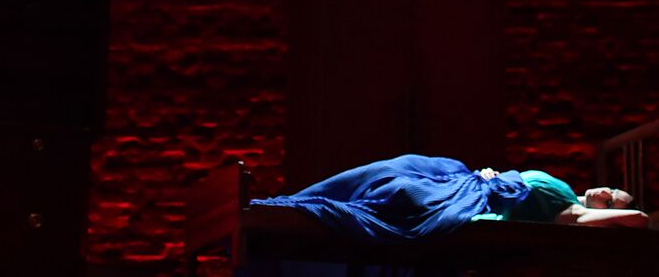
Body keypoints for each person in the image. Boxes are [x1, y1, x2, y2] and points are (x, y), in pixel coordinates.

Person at [250, 154, 649, 241]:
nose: (607, 192)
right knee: (390, 168)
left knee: (399, 188)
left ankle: (289, 209)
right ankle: (287, 200)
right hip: (465, 176)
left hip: (470, 198)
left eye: (613, 200)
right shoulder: (567, 189)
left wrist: (620, 215)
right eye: (614, 188)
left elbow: (640, 220)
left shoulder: (573, 213)